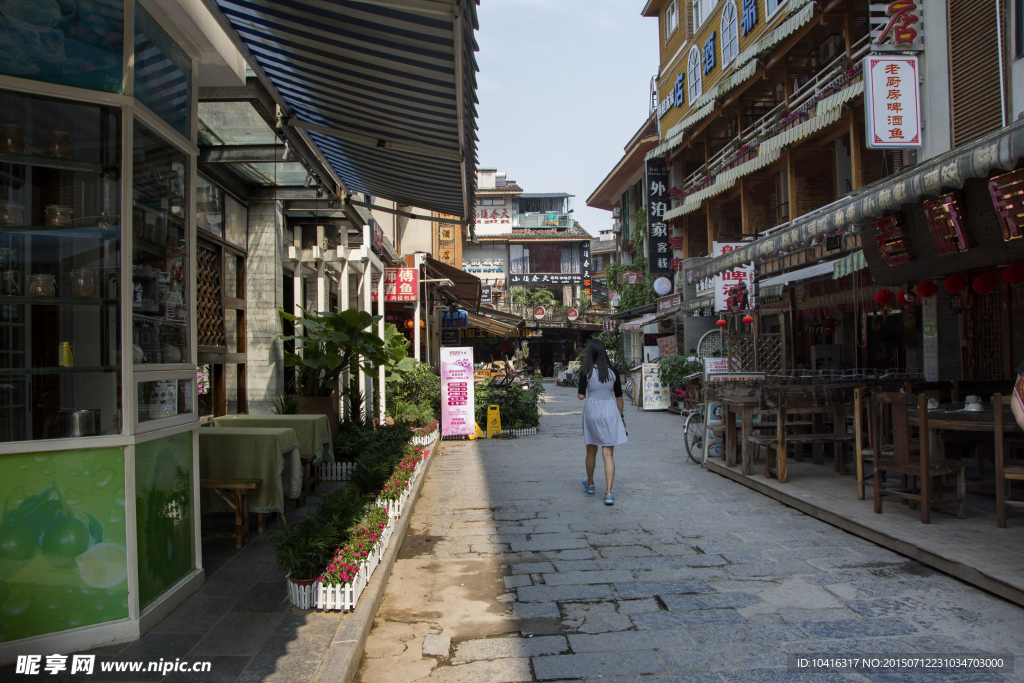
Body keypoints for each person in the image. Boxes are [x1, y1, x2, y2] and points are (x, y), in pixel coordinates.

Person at [577, 338, 627, 505]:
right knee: (608, 454)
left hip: (592, 411)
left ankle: (590, 484)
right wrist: (621, 417)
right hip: (610, 411)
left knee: (591, 450)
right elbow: (619, 397)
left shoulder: (586, 372)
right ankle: (609, 492)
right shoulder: (613, 372)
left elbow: (581, 396)